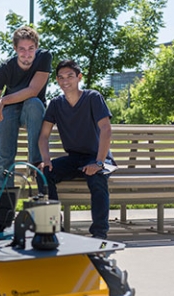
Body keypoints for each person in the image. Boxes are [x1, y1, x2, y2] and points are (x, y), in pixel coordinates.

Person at [38, 59, 115, 239]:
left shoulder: (93, 97)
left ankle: (99, 235)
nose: (66, 81)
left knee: (97, 177)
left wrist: (99, 162)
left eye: (70, 76)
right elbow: (43, 136)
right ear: (57, 80)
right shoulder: (56, 104)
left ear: (79, 77)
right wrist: (46, 159)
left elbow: (106, 129)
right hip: (74, 158)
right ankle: (52, 228)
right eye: (61, 77)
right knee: (44, 174)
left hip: (97, 157)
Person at [0, 25, 52, 188]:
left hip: (31, 113)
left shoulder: (44, 58)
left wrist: (3, 101)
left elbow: (33, 91)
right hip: (9, 111)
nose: (27, 54)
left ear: (36, 47)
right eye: (22, 49)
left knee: (34, 103)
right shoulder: (4, 69)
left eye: (31, 49)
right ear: (15, 49)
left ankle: (34, 164)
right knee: (4, 159)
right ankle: (3, 206)